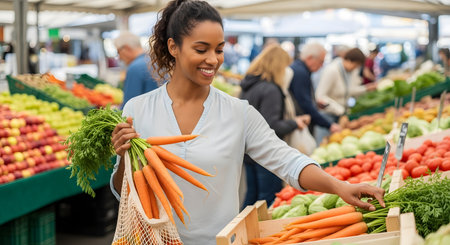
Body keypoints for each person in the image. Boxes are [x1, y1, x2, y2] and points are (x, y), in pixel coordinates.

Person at [110, 1, 385, 244]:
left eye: (219, 49)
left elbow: (286, 160)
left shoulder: (237, 112)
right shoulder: (138, 109)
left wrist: (340, 186)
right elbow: (124, 190)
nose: (213, 60)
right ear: (173, 47)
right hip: (153, 239)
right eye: (201, 49)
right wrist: (123, 156)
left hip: (220, 241)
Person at [239, 44, 311, 209]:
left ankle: (240, 231)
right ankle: (255, 232)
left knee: (252, 196)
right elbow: (272, 126)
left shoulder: (250, 86)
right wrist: (294, 123)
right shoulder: (271, 90)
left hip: (248, 151)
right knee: (267, 198)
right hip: (265, 154)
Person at [315, 47, 377, 143]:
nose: (355, 69)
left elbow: (349, 90)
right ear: (349, 60)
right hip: (327, 117)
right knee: (324, 144)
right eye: (355, 65)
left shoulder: (347, 72)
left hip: (339, 116)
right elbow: (320, 97)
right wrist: (340, 111)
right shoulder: (332, 70)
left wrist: (366, 88)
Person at [289, 43, 341, 138]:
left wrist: (314, 103)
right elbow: (305, 104)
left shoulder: (299, 68)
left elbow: (300, 98)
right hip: (300, 125)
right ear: (309, 58)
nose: (321, 66)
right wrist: (329, 125)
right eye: (321, 62)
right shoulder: (301, 73)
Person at [113, 31, 159, 108]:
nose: (119, 58)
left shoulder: (135, 68)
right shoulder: (155, 61)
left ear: (126, 48)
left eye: (118, 52)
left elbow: (128, 107)